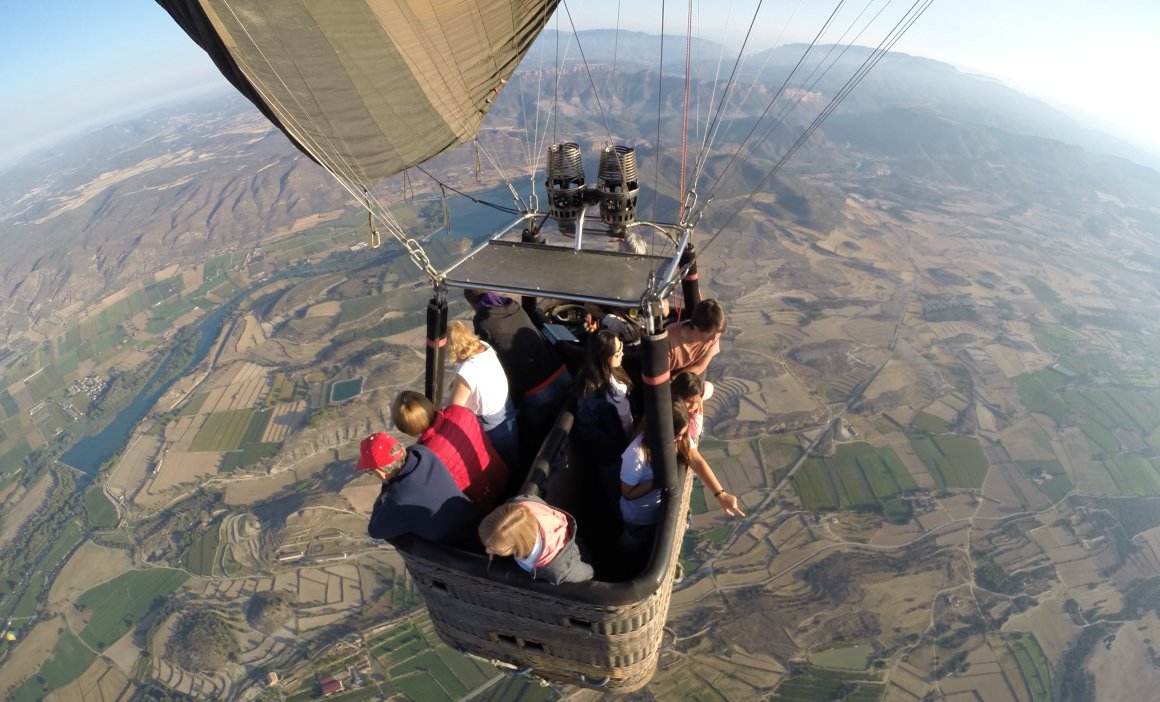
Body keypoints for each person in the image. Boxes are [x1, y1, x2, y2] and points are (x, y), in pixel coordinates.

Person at [463, 289, 572, 452]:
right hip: (561, 371)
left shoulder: (482, 320)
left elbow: (485, 353)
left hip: (538, 389)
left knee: (540, 439)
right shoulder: (512, 304)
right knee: (568, 422)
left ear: (472, 303)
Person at [392, 390, 508, 513]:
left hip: (483, 503)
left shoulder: (426, 457)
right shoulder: (460, 412)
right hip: (500, 475)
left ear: (407, 429)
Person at [358, 432, 480, 545]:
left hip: (461, 544)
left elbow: (375, 530)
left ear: (381, 472)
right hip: (475, 518)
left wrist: (385, 492)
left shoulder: (399, 499)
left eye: (371, 471)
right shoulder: (421, 453)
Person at [447, 319, 520, 471]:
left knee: (502, 466)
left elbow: (453, 410)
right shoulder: (485, 348)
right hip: (506, 409)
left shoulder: (467, 371)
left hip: (490, 425)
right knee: (514, 459)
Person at [669, 373, 745, 518]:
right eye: (690, 402)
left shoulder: (682, 419)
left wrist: (721, 494)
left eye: (696, 402)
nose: (694, 407)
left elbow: (696, 459)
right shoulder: (672, 424)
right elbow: (695, 432)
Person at [478, 496, 594, 584]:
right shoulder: (521, 503)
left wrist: (592, 573)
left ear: (518, 545)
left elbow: (587, 573)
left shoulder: (556, 570)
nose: (487, 551)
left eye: (496, 550)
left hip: (574, 557)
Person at [574, 330, 635, 467]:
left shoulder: (615, 370)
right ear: (605, 357)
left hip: (629, 433)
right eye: (618, 353)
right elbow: (588, 429)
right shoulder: (591, 391)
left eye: (622, 349)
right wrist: (615, 447)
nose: (622, 354)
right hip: (615, 451)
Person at [666, 298, 726, 377]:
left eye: (718, 333)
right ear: (696, 326)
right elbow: (660, 378)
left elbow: (700, 366)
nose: (714, 338)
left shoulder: (713, 336)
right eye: (710, 334)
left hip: (683, 379)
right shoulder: (668, 342)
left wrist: (677, 380)